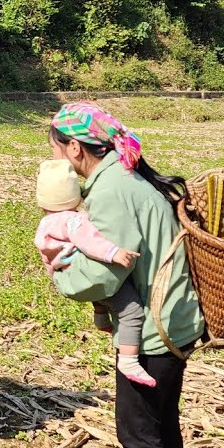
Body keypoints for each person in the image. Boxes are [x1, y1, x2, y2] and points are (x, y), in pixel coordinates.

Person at [47, 102, 204, 448]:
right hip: (175, 319)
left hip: (155, 330)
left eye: (55, 146)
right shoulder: (124, 174)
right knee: (162, 424)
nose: (54, 155)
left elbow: (106, 273)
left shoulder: (111, 189)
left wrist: (61, 273)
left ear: (75, 148)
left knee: (138, 433)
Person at [33, 159, 153, 386]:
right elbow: (89, 241)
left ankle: (100, 316)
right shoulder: (73, 221)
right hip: (92, 275)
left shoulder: (45, 227)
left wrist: (57, 278)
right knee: (132, 311)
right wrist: (113, 253)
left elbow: (48, 260)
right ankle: (128, 361)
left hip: (71, 279)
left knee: (98, 294)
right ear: (76, 198)